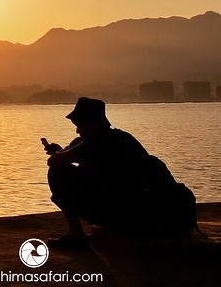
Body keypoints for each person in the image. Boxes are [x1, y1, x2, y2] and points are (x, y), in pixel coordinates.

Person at [43, 97, 181, 250]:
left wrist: (59, 154)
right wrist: (61, 151)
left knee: (57, 173)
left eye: (79, 125)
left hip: (122, 211)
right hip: (142, 209)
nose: (77, 130)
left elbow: (54, 163)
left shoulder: (96, 143)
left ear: (91, 123)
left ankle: (77, 235)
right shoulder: (122, 138)